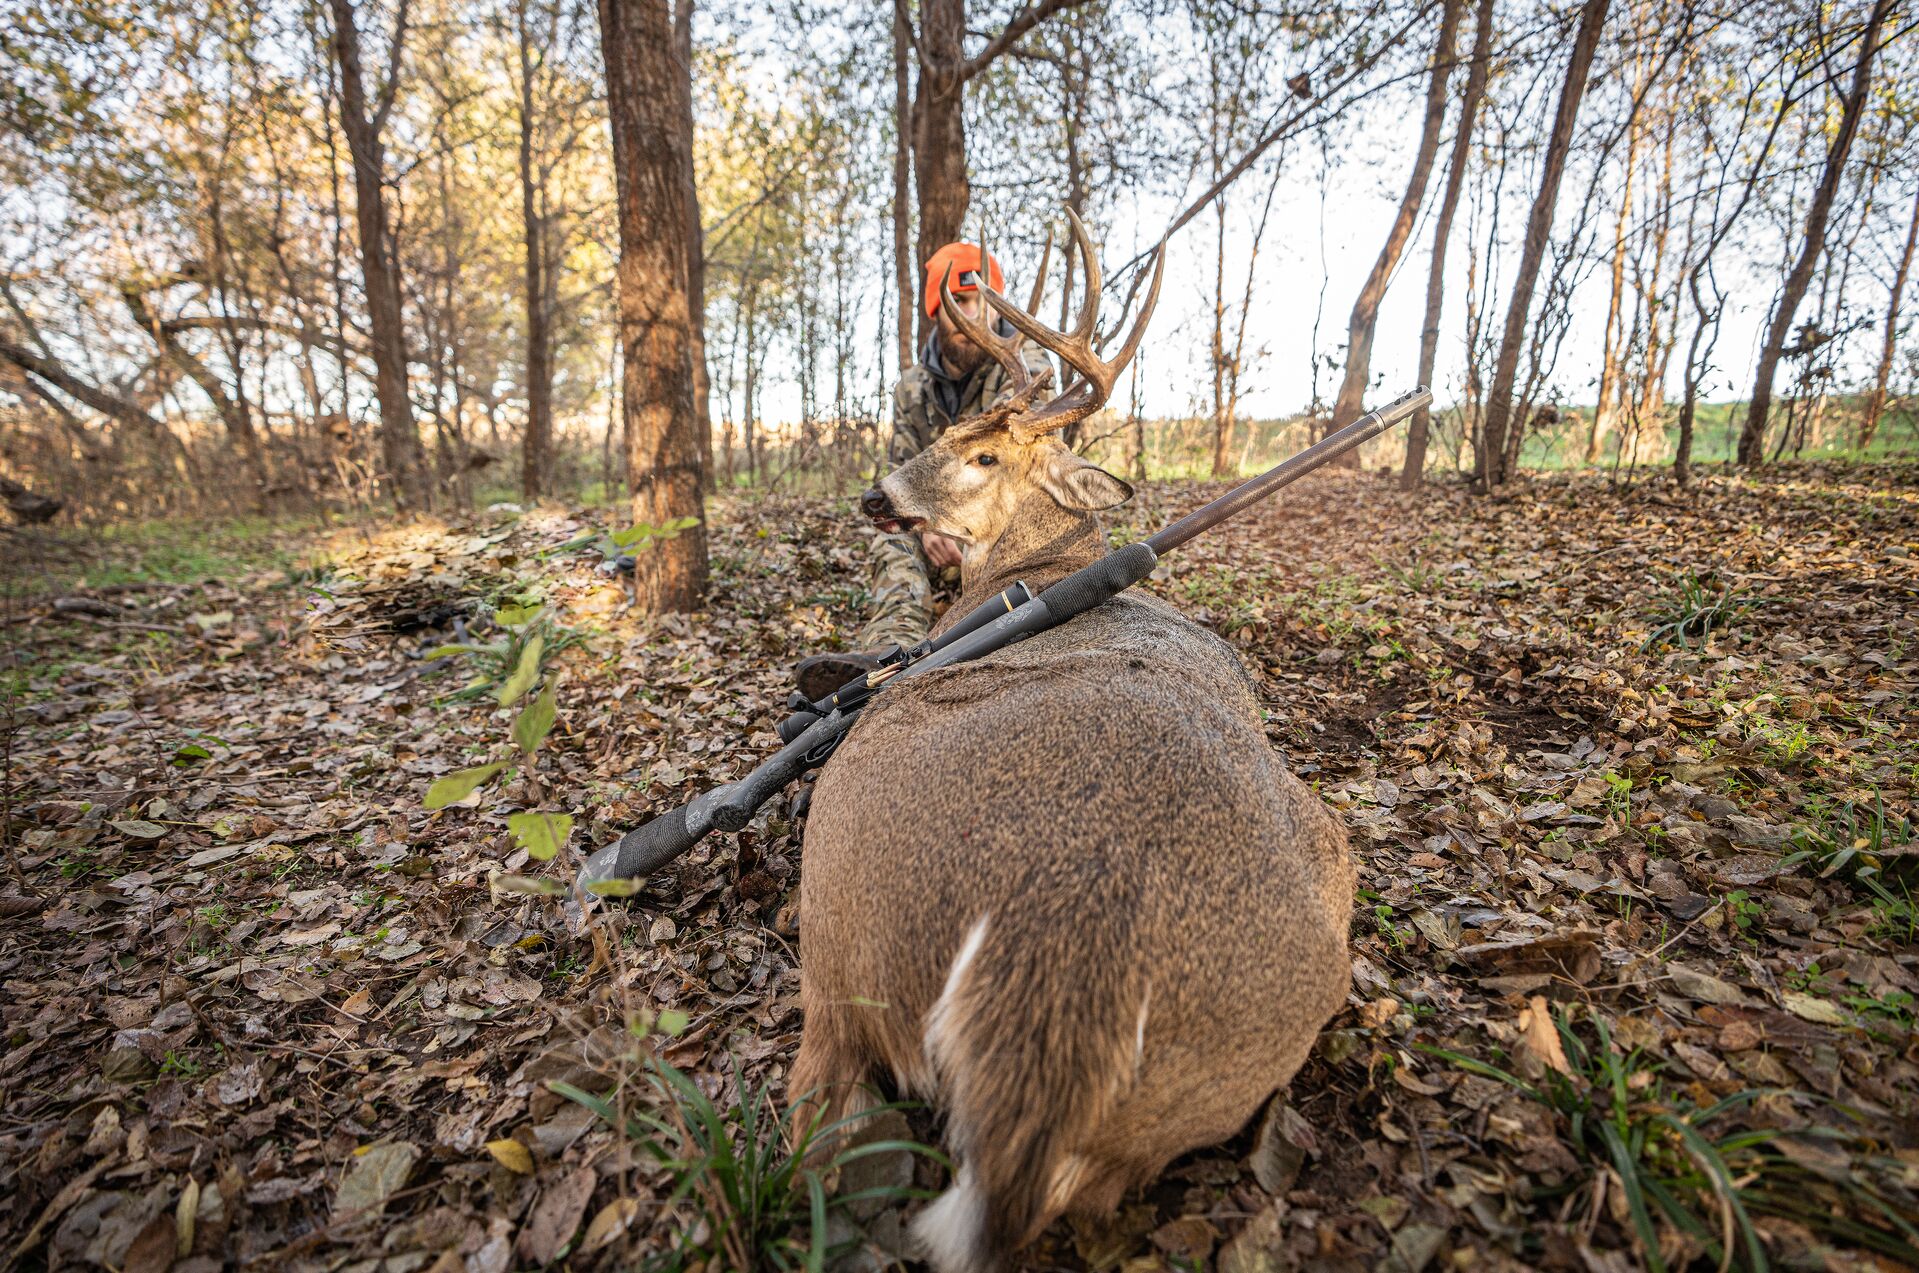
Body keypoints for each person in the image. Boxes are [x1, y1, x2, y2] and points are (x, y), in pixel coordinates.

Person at [794, 242, 1052, 701]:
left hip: (1000, 533)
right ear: (937, 308)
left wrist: (960, 524)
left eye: (983, 302)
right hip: (935, 536)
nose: (972, 316)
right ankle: (889, 658)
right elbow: (900, 473)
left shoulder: (1025, 374)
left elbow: (1024, 481)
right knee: (890, 535)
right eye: (959, 302)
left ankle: (1004, 650)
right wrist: (923, 519)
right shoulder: (912, 388)